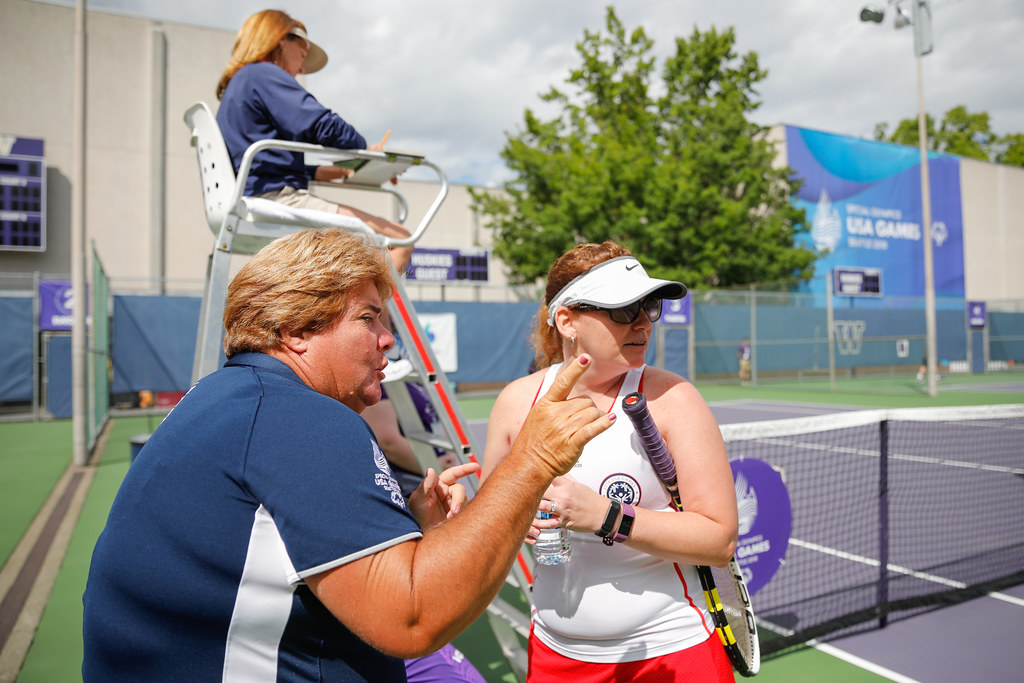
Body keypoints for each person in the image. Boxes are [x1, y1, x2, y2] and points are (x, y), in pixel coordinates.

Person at [82, 228, 614, 681]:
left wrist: (401, 528)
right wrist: (531, 461)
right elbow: (413, 621)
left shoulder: (218, 397)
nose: (389, 340)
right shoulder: (301, 416)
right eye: (369, 319)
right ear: (295, 330)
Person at [481, 242, 738, 682]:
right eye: (622, 310)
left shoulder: (674, 399)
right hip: (555, 655)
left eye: (648, 306)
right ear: (566, 320)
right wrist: (497, 519)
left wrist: (605, 515)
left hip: (670, 653)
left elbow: (718, 539)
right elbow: (490, 522)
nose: (641, 322)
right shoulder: (515, 402)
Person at [215, 9, 413, 271]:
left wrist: (346, 169)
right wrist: (367, 151)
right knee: (400, 239)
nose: (300, 68)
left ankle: (362, 309)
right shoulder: (262, 74)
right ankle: (371, 313)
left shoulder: (239, 86)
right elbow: (321, 123)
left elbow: (275, 165)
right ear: (280, 40)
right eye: (302, 54)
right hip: (277, 201)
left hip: (258, 198)